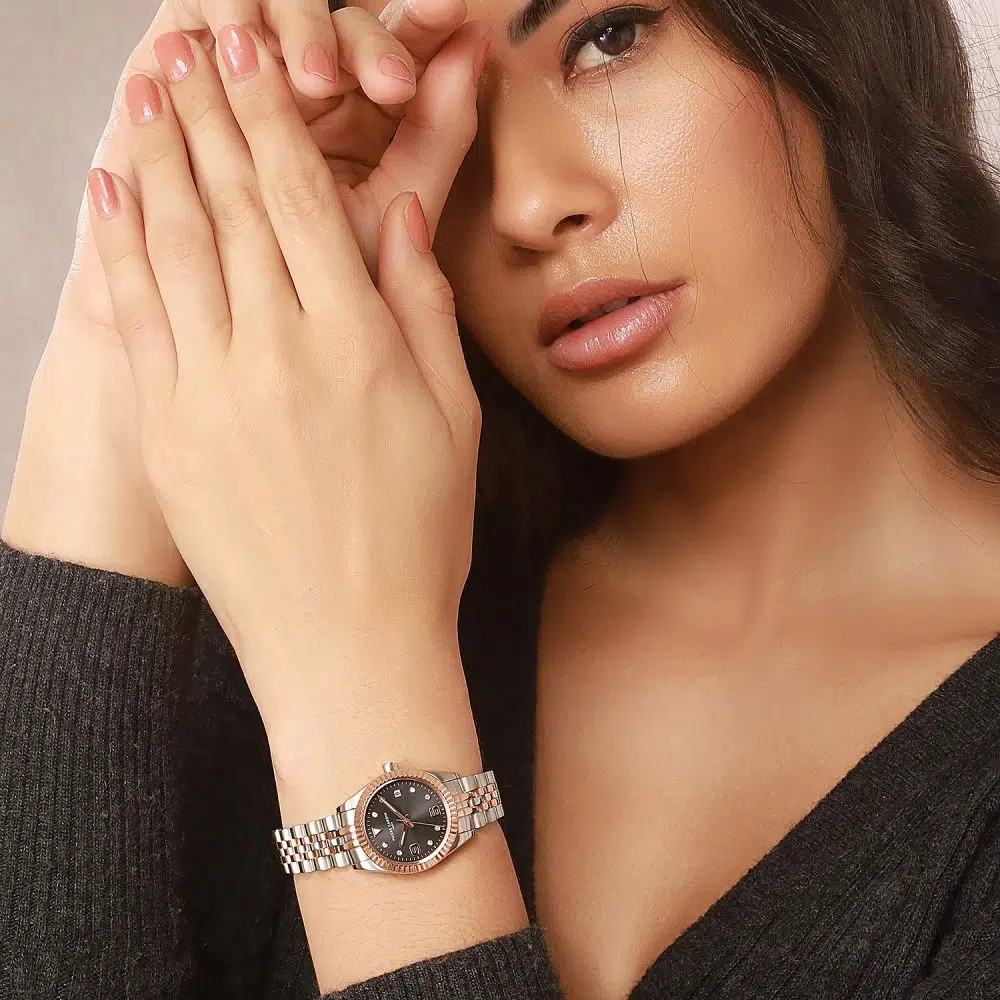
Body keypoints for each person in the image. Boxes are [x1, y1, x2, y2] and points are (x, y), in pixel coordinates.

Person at [2, 0, 1000, 995]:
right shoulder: (299, 588)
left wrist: (363, 683)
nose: (525, 204)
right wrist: (115, 348)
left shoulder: (332, 623)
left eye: (607, 40)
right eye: (439, 111)